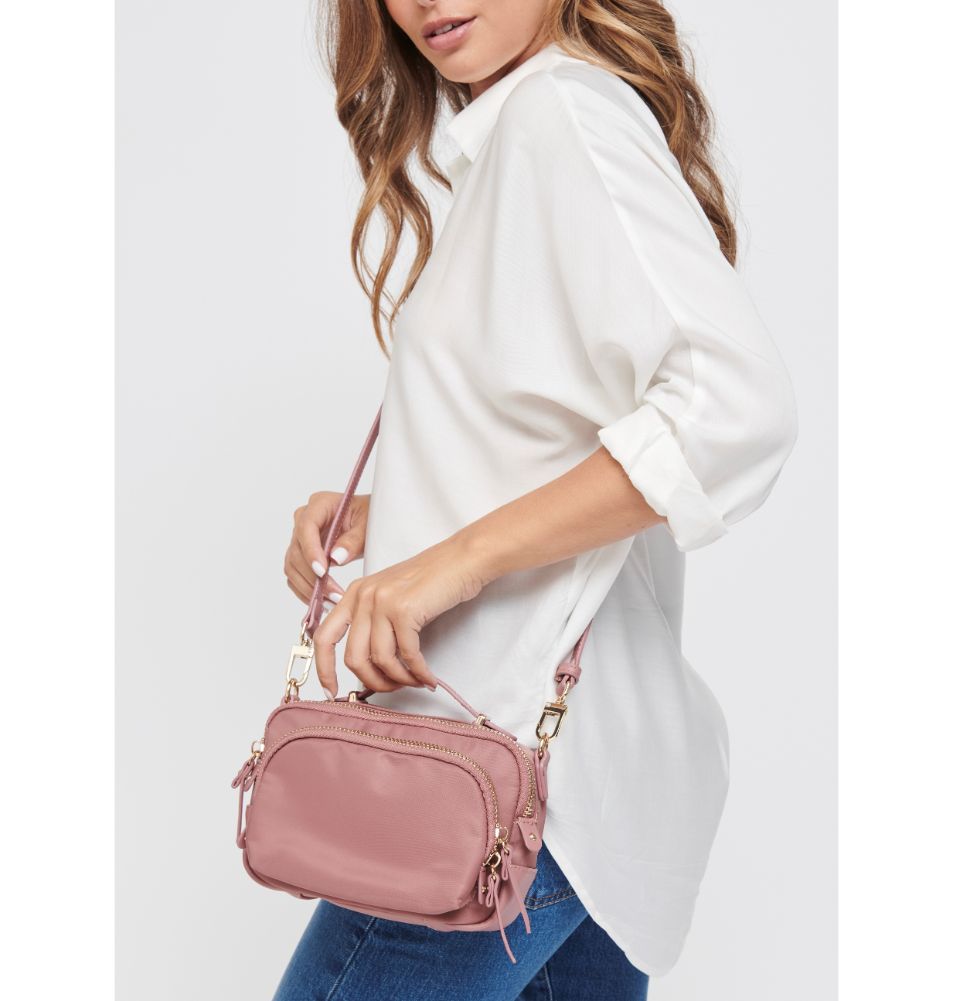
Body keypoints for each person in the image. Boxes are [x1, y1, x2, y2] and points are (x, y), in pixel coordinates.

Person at [277, 2, 798, 998]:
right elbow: (570, 429)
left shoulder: (560, 114)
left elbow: (734, 406)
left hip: (496, 769)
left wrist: (450, 560)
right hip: (572, 781)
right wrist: (402, 508)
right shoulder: (531, 126)